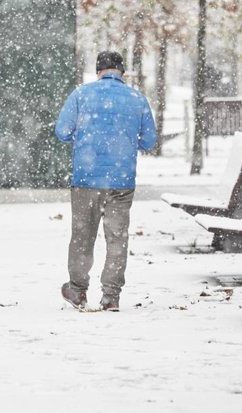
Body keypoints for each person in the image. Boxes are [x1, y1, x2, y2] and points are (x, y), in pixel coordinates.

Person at [55, 50, 157, 312]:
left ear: (98, 70)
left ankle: (77, 290)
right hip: (122, 182)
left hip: (86, 179)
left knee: (82, 237)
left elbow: (62, 131)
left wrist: (85, 137)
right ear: (122, 71)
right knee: (117, 239)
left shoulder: (81, 95)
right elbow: (149, 141)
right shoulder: (137, 99)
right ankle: (111, 295)